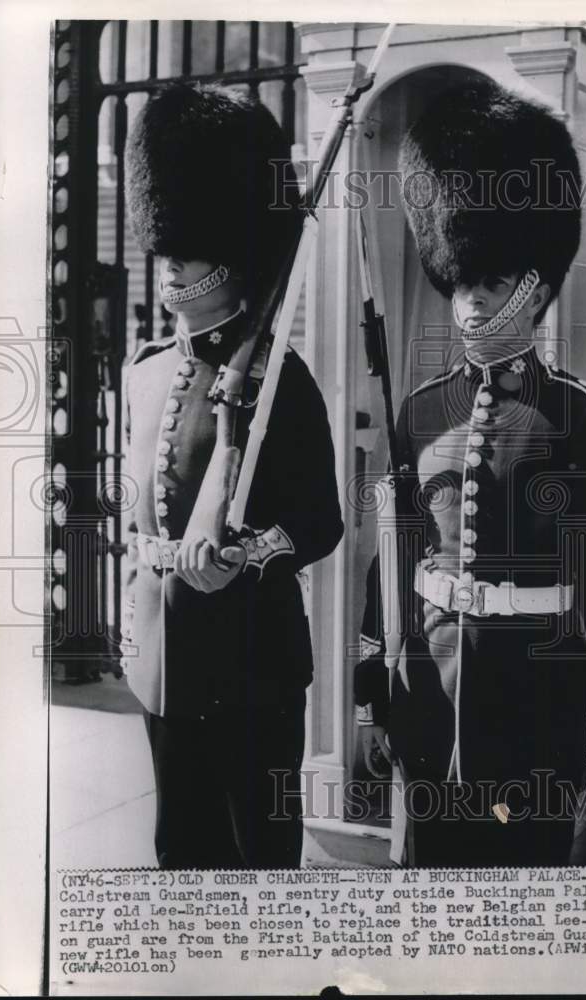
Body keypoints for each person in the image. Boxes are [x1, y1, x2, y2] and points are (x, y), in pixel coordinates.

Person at [354, 80, 586, 867]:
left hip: (532, 711)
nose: (471, 302)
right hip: (429, 702)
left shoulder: (578, 419)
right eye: (461, 283)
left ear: (537, 288)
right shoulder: (420, 412)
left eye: (492, 284)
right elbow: (396, 561)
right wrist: (375, 701)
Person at [121, 84, 343, 869]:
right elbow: (135, 510)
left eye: (194, 242)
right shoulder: (146, 374)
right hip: (164, 664)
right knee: (179, 853)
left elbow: (321, 523)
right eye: (171, 239)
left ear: (234, 252)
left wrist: (244, 555)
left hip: (252, 668)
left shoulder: (285, 381)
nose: (173, 257)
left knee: (257, 862)